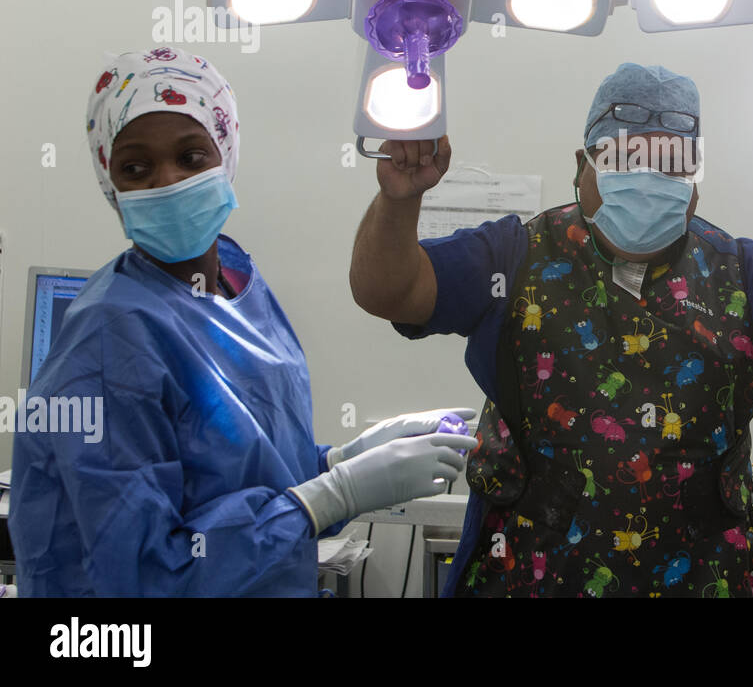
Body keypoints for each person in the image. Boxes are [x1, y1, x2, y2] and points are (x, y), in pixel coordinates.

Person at [350, 62, 753, 597]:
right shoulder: (514, 254)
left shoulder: (740, 272)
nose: (648, 181)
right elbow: (389, 292)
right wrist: (399, 200)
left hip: (697, 576)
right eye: (626, 158)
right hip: (527, 574)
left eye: (670, 164)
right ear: (584, 164)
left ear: (696, 179)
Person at [10, 47, 476, 596]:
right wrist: (334, 493)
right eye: (136, 167)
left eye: (190, 157)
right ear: (110, 184)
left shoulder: (238, 287)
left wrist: (340, 460)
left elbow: (250, 472)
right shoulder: (108, 341)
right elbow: (143, 576)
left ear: (225, 156)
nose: (167, 181)